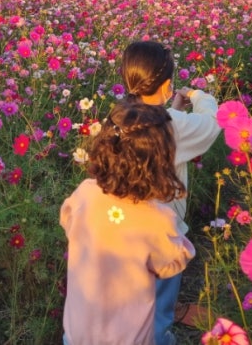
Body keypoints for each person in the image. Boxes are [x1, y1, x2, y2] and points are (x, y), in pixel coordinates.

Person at [61, 101, 195, 345]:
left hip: (77, 334)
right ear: (160, 165)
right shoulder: (158, 219)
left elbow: (67, 221)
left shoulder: (84, 194)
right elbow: (173, 263)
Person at [120, 40, 222, 345]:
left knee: (130, 309)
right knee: (157, 318)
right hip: (161, 236)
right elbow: (211, 125)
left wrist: (172, 108)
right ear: (166, 84)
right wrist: (197, 95)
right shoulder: (171, 126)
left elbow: (165, 128)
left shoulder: (120, 117)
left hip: (121, 234)